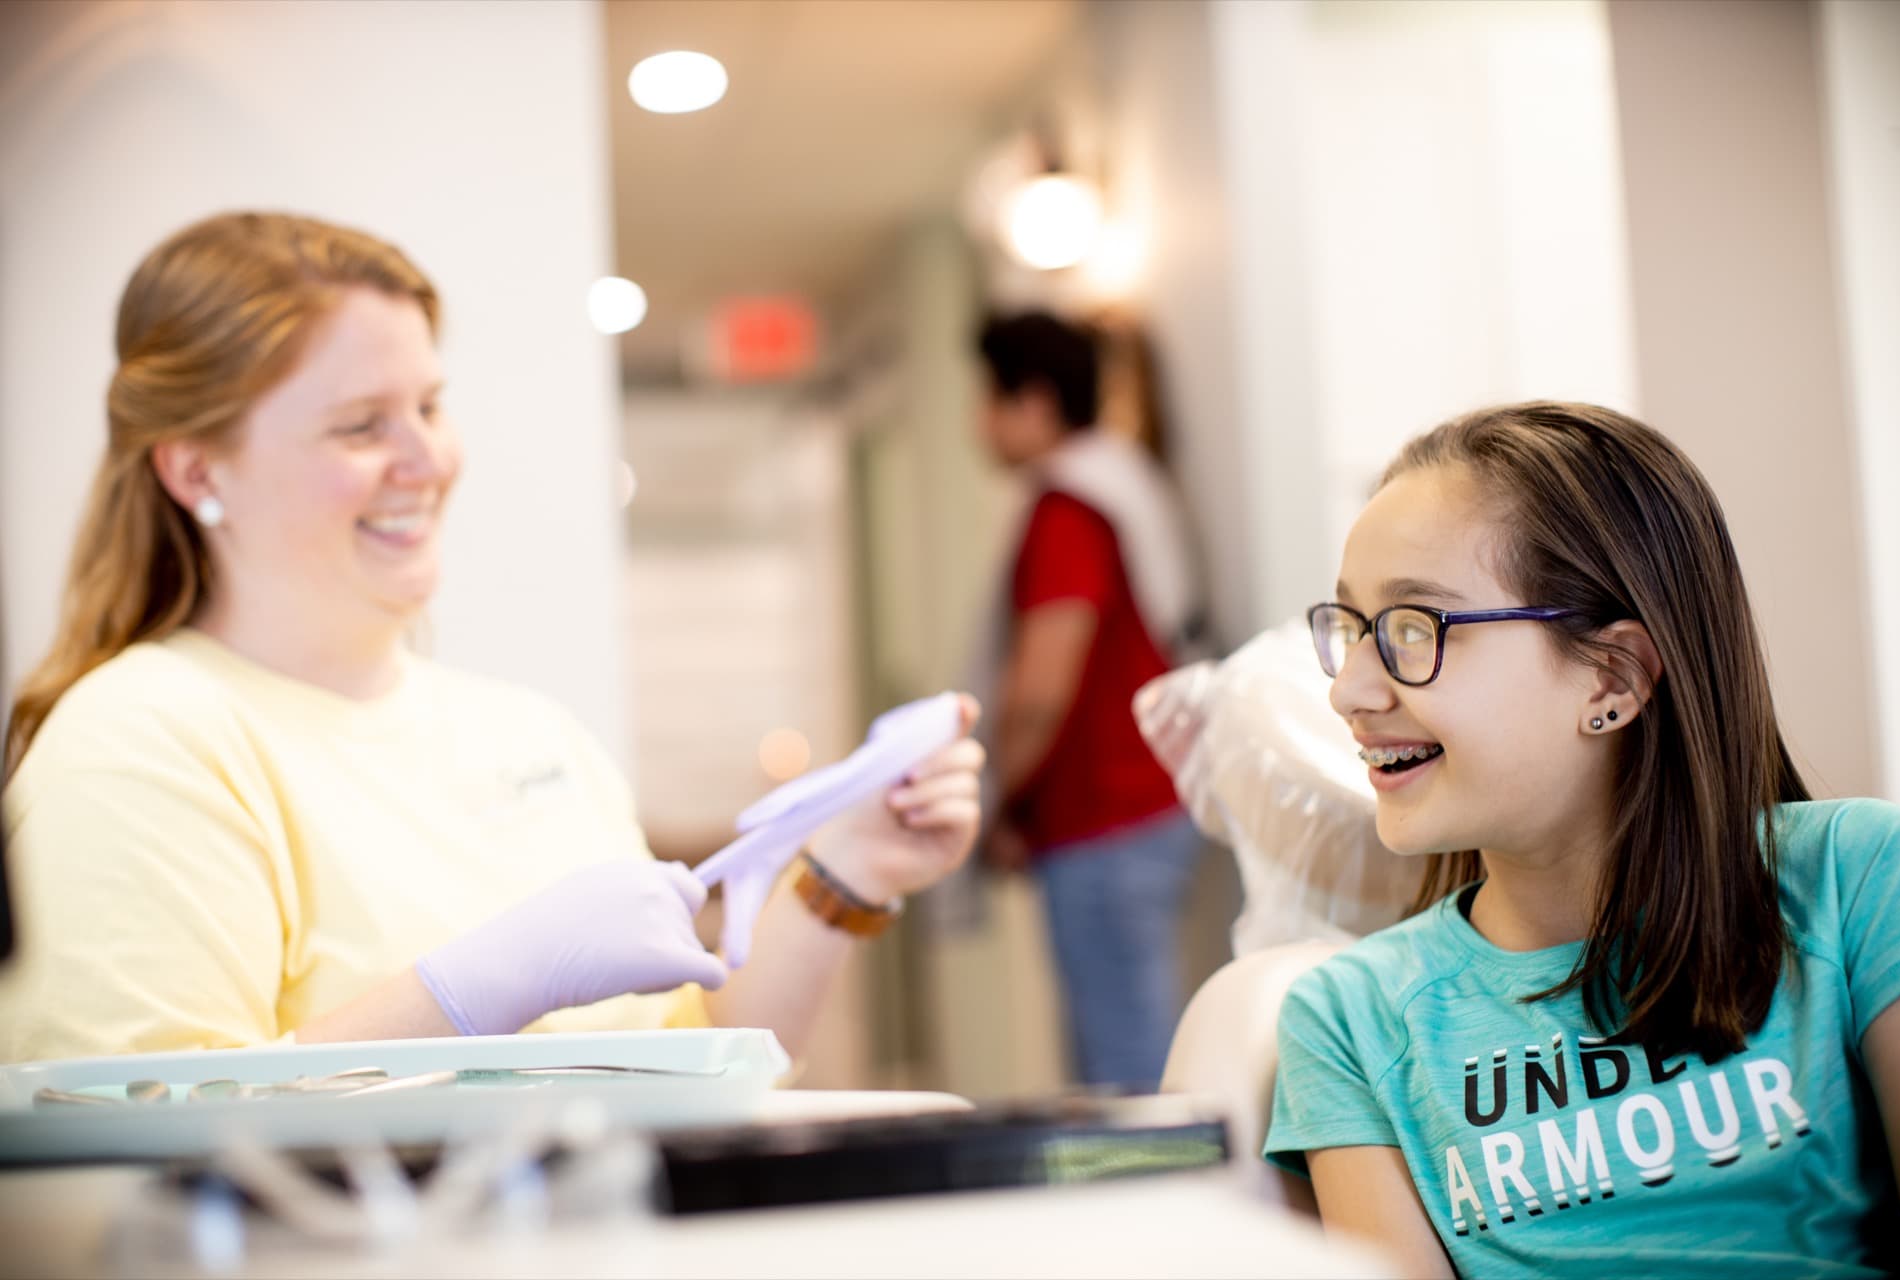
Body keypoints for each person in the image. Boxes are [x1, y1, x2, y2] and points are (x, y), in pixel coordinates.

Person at [0, 211, 984, 1063]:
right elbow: (137, 1149)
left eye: (428, 405)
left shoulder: (532, 735)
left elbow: (694, 1060)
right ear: (195, 470)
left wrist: (850, 868)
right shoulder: (135, 743)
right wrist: (475, 990)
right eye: (360, 425)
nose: (428, 458)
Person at [1264, 401, 1900, 1276]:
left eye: (1413, 631)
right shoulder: (1349, 1023)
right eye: (1351, 631)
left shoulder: (1860, 881)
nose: (1350, 691)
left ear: (1611, 678)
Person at [973, 310, 1210, 1090]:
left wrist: (1000, 801)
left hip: (1104, 813)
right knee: (1130, 1039)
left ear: (1034, 402)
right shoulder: (1124, 481)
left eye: (988, 398)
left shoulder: (1068, 510)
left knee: (1125, 1063)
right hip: (1144, 802)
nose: (979, 421)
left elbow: (1042, 686)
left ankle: (1162, 1208)